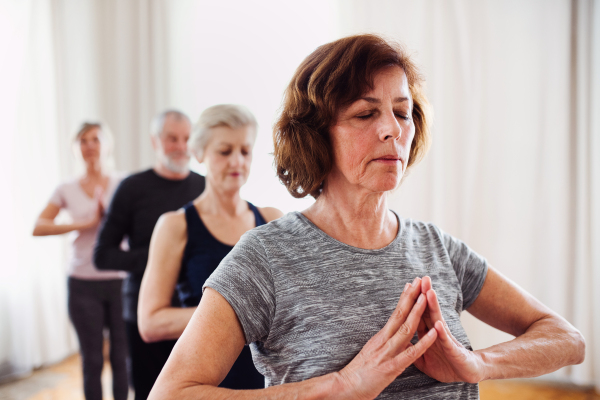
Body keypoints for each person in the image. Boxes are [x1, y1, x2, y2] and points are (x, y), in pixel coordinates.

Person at [149, 35, 586, 399]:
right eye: (365, 113)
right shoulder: (266, 256)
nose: (393, 129)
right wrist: (341, 385)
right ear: (316, 135)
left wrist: (478, 363)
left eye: (402, 111)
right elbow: (172, 393)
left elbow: (567, 340)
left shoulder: (436, 247)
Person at [137, 104, 283, 389]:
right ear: (200, 153)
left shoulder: (271, 219)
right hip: (204, 379)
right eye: (225, 151)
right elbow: (150, 322)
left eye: (245, 151)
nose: (237, 162)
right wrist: (236, 315)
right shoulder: (175, 225)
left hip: (265, 381)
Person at [93, 110, 206, 400]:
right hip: (145, 317)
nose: (181, 146)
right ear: (155, 141)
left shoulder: (204, 186)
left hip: (197, 313)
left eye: (186, 138)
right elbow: (102, 254)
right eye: (172, 138)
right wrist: (162, 258)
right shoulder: (132, 187)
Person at [33, 122, 128, 400]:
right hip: (82, 283)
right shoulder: (66, 188)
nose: (89, 146)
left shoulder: (123, 183)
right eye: (83, 140)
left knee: (121, 359)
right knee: (92, 360)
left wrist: (108, 220)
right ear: (75, 148)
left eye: (95, 139)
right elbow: (38, 226)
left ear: (107, 145)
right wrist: (84, 223)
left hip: (120, 282)